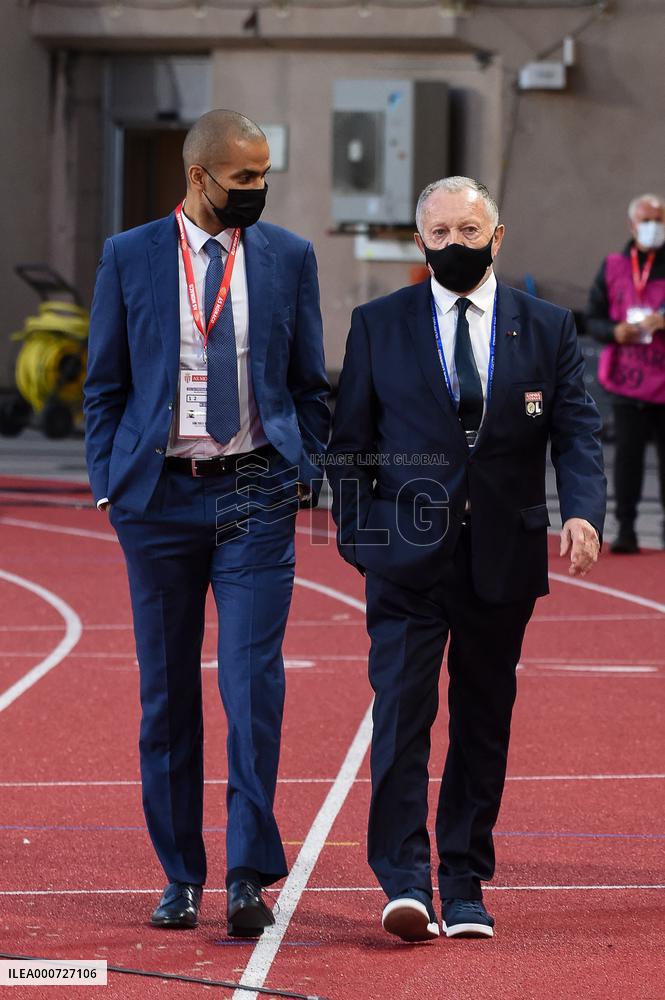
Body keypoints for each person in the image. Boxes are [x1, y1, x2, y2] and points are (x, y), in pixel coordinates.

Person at [326, 176, 605, 942]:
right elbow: (348, 444)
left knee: (483, 723)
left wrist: (582, 510)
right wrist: (359, 538)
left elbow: (576, 430)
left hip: (501, 558)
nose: (455, 243)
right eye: (440, 233)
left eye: (468, 230)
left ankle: (463, 880)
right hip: (403, 561)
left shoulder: (546, 326)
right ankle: (404, 881)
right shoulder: (377, 324)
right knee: (401, 718)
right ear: (420, 241)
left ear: (496, 236)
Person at [84, 109, 330, 934]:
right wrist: (108, 485)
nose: (258, 189)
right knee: (166, 696)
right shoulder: (128, 255)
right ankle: (179, 875)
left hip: (255, 491)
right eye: (244, 177)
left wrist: (304, 465)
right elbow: (104, 384)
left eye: (264, 176)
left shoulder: (289, 257)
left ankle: (246, 875)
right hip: (157, 500)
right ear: (199, 177)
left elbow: (309, 383)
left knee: (251, 687)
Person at [586, 192, 665, 553]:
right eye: (647, 220)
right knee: (627, 458)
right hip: (627, 379)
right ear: (632, 226)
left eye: (659, 220)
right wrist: (614, 331)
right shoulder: (613, 266)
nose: (653, 227)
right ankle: (626, 528)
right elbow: (593, 318)